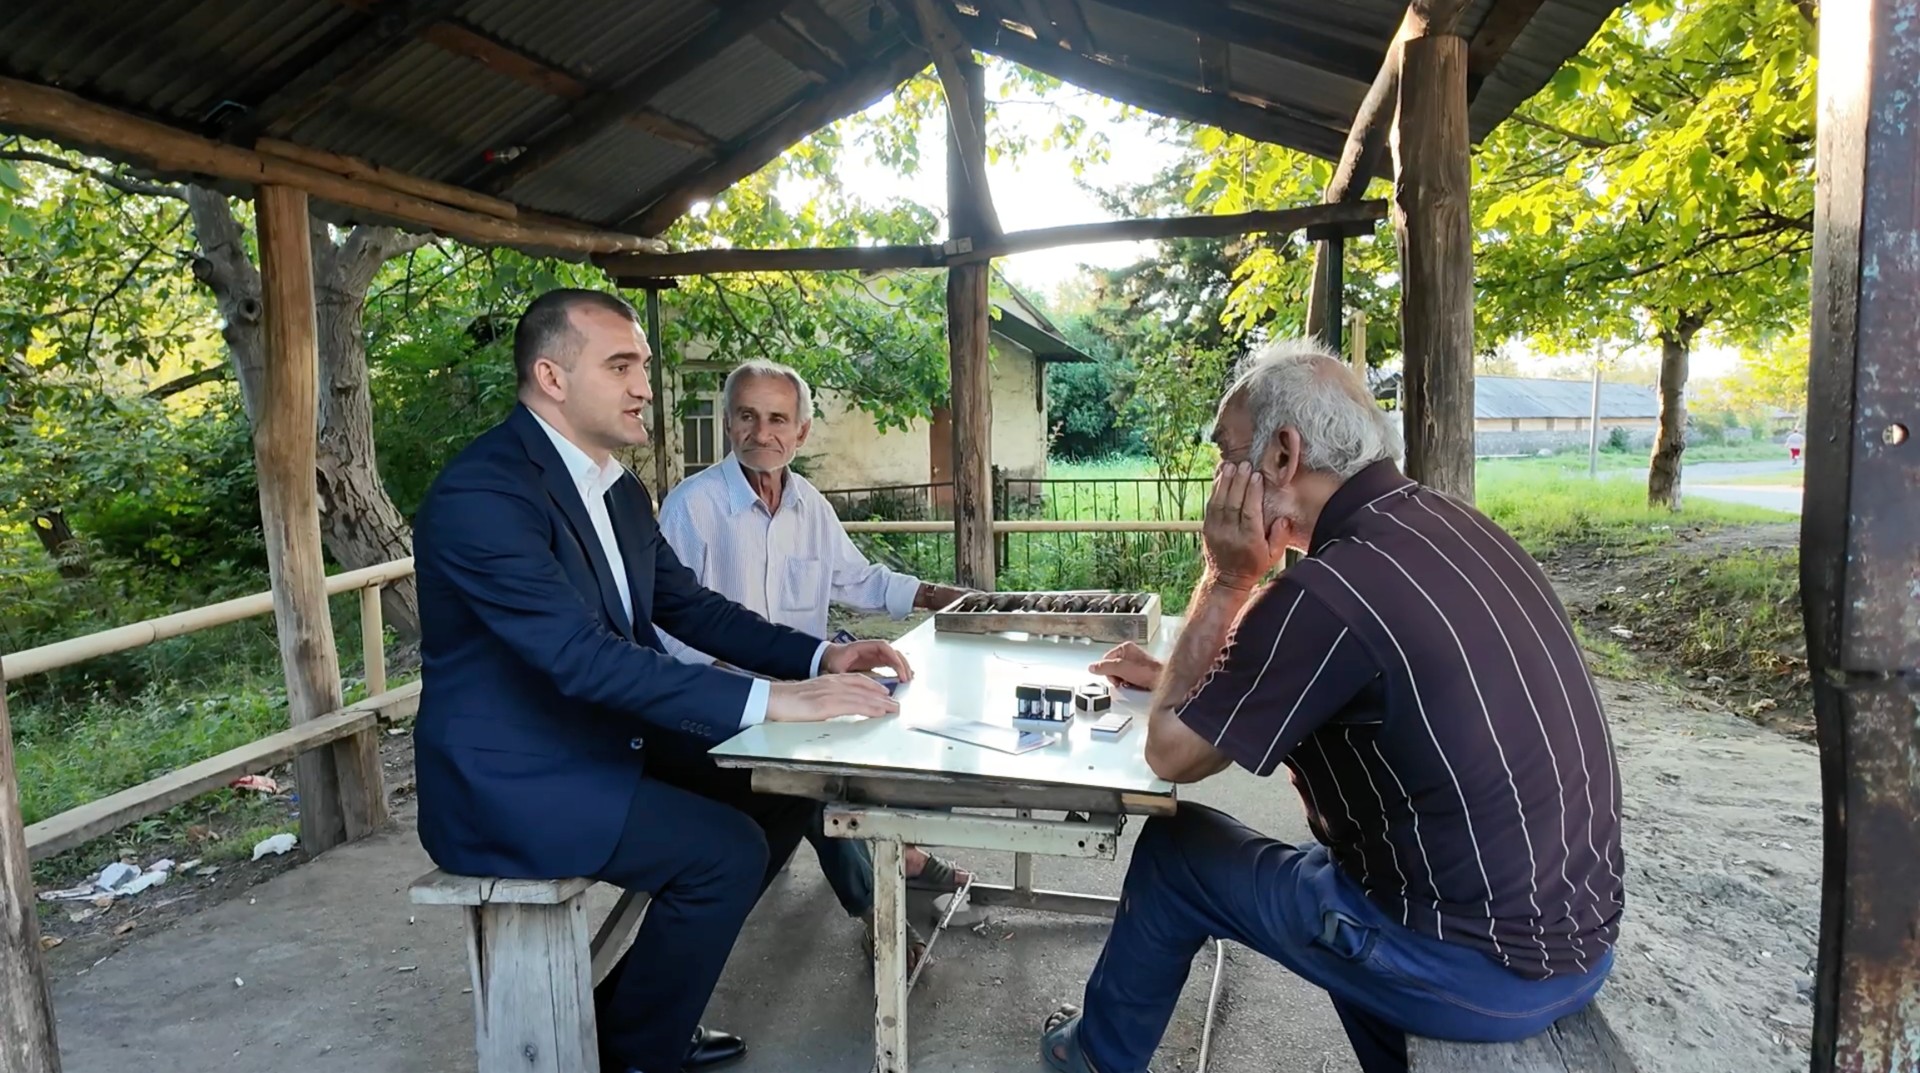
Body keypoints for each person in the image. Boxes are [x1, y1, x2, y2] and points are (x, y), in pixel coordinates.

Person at [1042, 340, 1624, 1073]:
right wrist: (1174, 675)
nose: (1217, 480)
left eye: (1226, 455)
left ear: (1282, 455)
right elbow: (1347, 677)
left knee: (1176, 854)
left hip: (1473, 967)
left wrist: (1225, 580)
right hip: (1575, 936)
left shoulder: (1327, 592)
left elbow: (1170, 753)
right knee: (1329, 863)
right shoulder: (1459, 527)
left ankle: (1093, 1056)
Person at [411, 289, 913, 1073]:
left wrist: (819, 658)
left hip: (602, 741)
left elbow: (689, 606)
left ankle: (626, 1021)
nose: (644, 386)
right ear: (551, 376)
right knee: (722, 852)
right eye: (621, 366)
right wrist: (772, 697)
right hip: (515, 780)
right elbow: (580, 656)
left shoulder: (616, 488)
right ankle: (637, 1053)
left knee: (789, 782)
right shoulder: (484, 494)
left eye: (642, 365)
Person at [655, 359, 974, 952]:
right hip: (717, 706)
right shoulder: (691, 508)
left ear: (801, 432)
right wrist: (761, 692)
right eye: (748, 416)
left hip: (806, 696)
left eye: (778, 419)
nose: (762, 433)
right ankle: (879, 901)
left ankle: (899, 852)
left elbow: (859, 580)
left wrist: (943, 597)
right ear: (728, 424)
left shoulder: (810, 506)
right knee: (806, 777)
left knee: (894, 722)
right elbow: (665, 629)